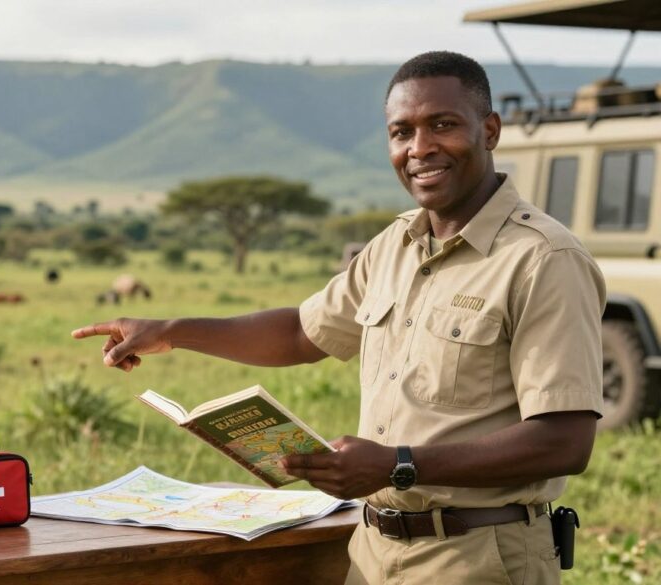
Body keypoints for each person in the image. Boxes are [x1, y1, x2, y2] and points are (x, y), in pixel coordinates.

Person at [71, 51, 604, 584]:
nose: (419, 149)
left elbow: (564, 441)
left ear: (489, 130)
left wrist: (399, 463)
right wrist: (172, 331)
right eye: (401, 132)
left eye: (443, 125)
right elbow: (301, 332)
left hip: (479, 558)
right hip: (371, 552)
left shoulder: (544, 259)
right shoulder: (394, 245)